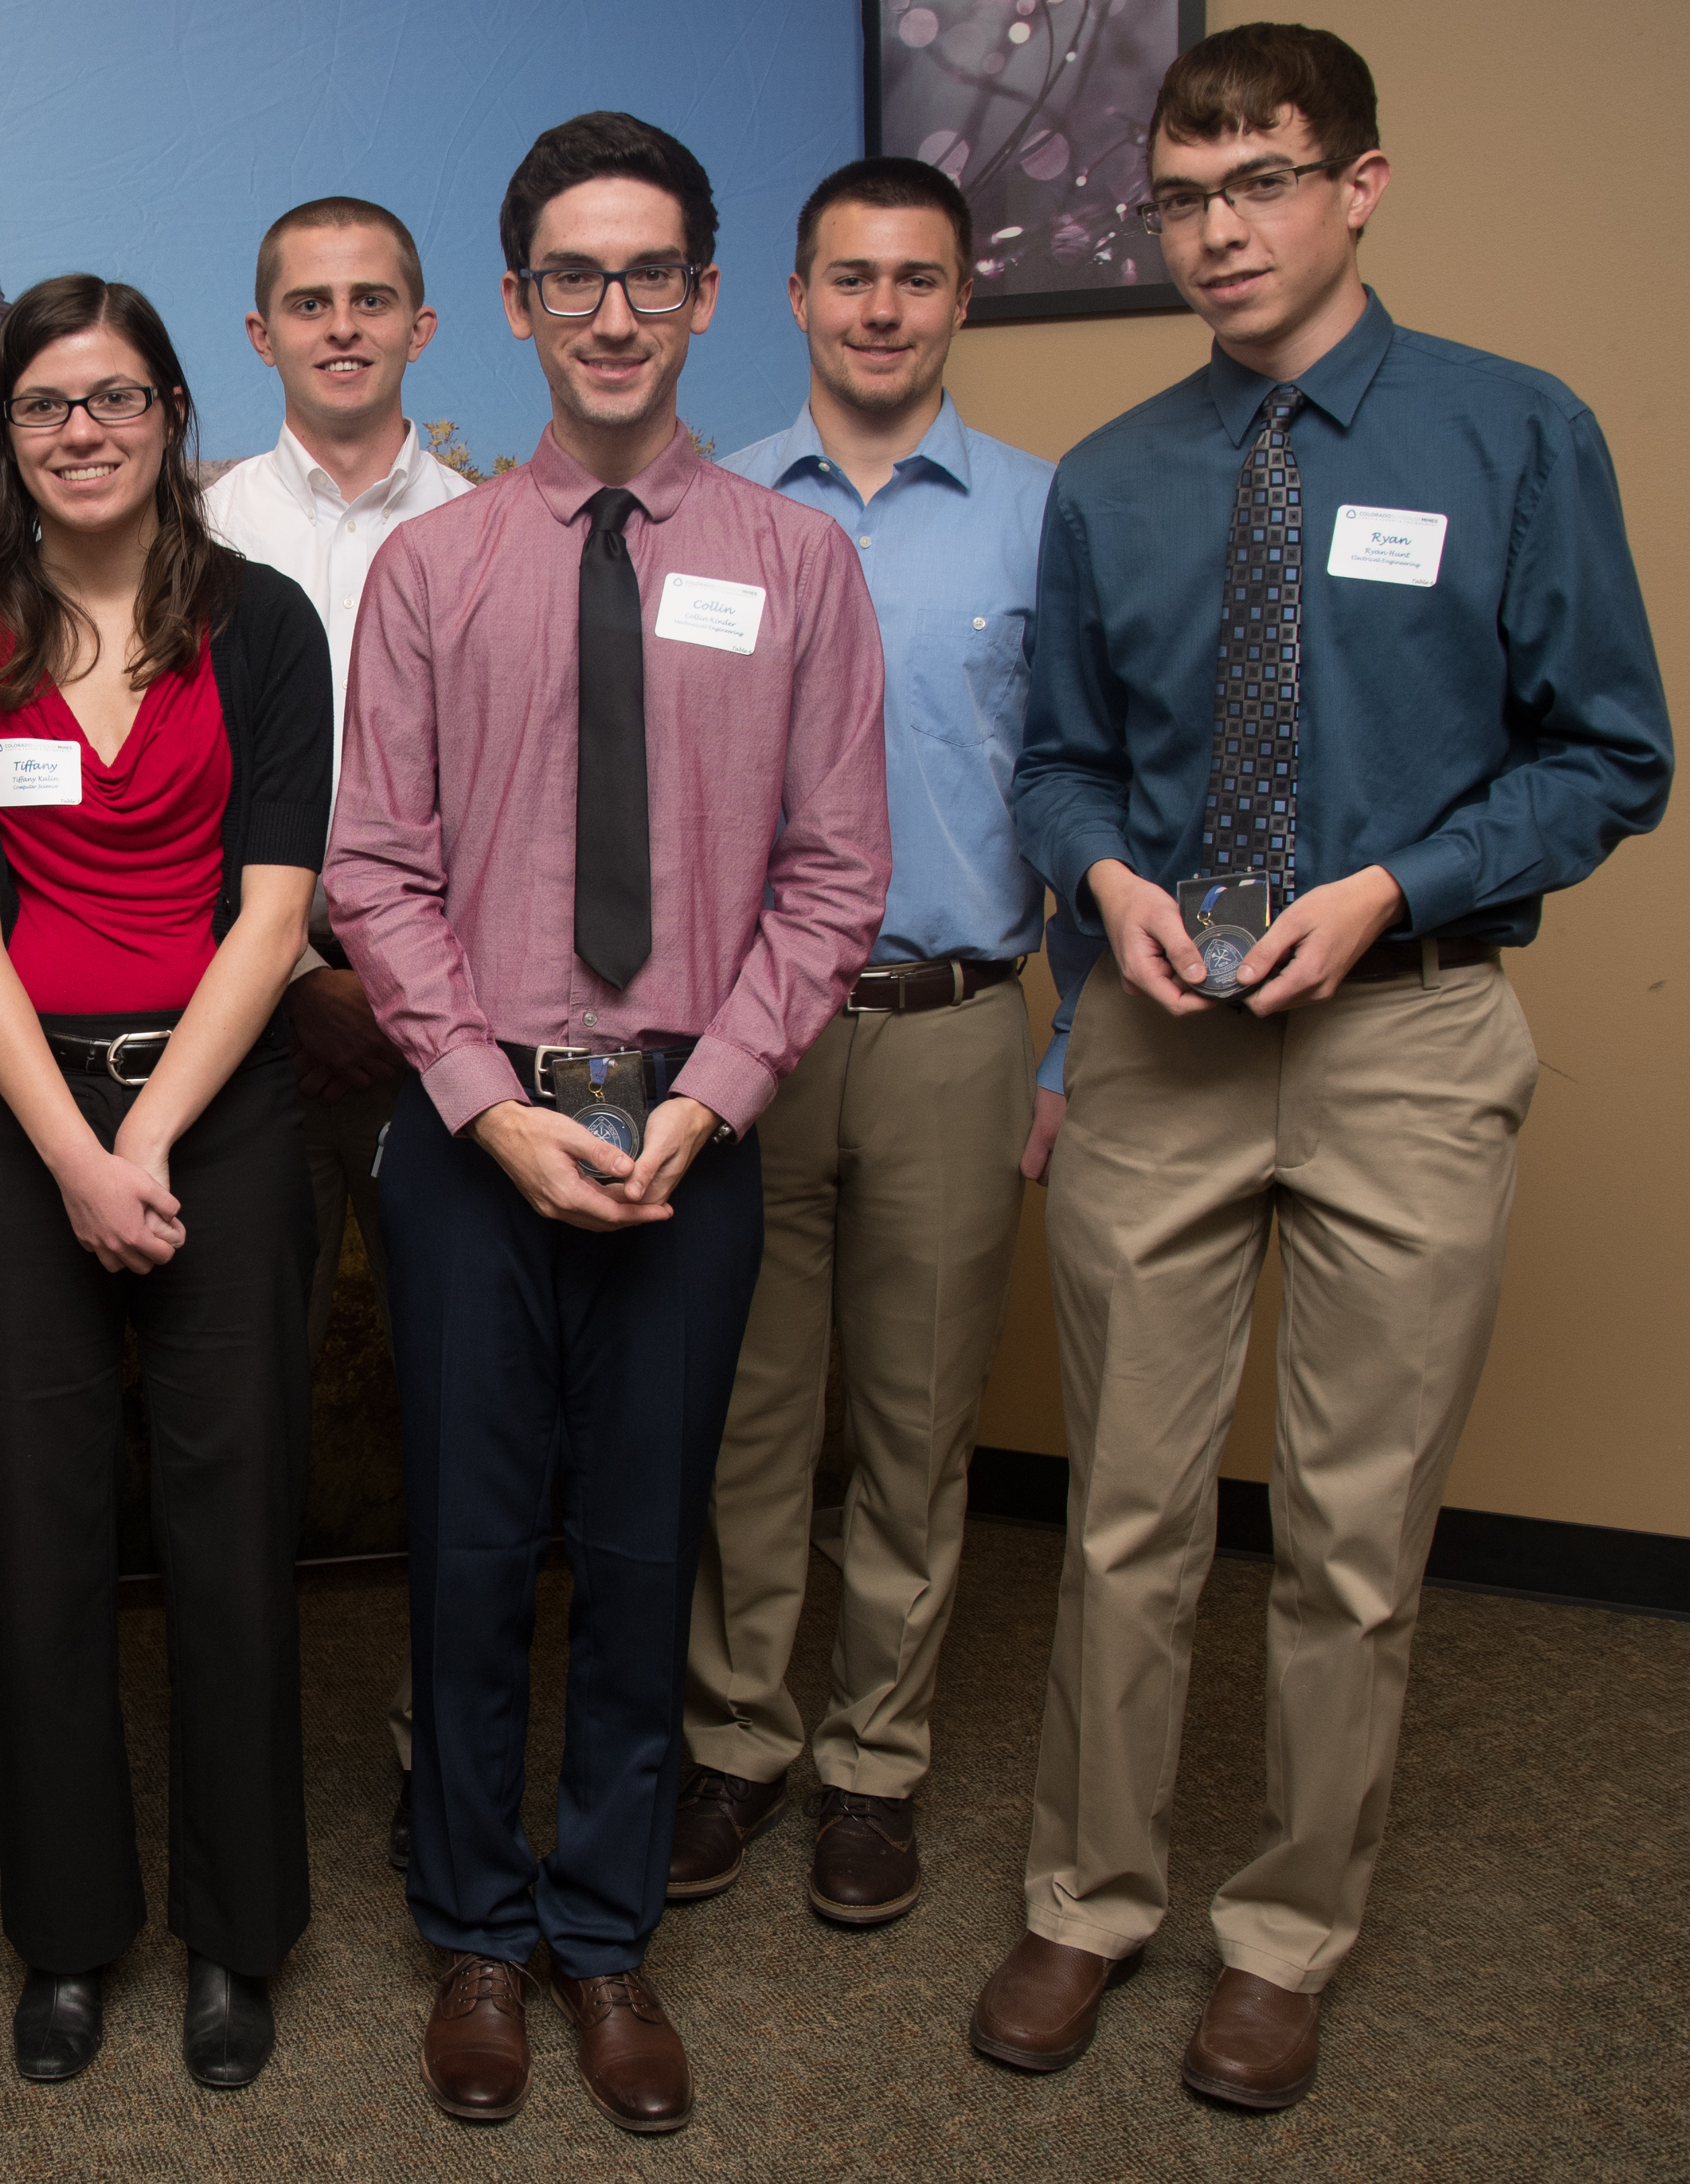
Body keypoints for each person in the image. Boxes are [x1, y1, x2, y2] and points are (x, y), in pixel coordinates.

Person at [984, 24, 1670, 2111]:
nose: (1214, 234)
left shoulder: (1510, 435)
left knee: (1355, 1534)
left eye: (1257, 184)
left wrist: (1389, 884)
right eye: (1179, 199)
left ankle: (1278, 1936)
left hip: (1406, 1028)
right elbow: (1058, 764)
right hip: (1162, 1038)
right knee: (1116, 1518)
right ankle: (1084, 1896)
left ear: (1355, 187)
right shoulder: (1109, 478)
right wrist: (1095, 872)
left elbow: (1607, 755)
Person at [330, 113, 889, 2134]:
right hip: (477, 1138)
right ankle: (474, 1925)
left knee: (648, 1547)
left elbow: (831, 876)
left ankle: (602, 1929)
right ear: (512, 304)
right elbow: (372, 872)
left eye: (648, 271)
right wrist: (482, 1110)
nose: (610, 310)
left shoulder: (791, 563)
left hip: (690, 1134)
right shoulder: (427, 568)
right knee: (473, 1549)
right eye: (569, 274)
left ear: (704, 296)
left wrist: (711, 1100)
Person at [0, 273, 332, 2093]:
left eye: (113, 397)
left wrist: (146, 1138)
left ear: (168, 412)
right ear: (4, 436)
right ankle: (66, 1932)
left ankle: (239, 1934)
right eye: (44, 404)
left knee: (232, 1538)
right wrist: (72, 1149)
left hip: (217, 1114)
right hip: (16, 1128)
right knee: (41, 1531)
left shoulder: (267, 624)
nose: (80, 430)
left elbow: (279, 906)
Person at [678, 157, 1096, 1926]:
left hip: (947, 1026)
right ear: (788, 297)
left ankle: (872, 1759)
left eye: (912, 280)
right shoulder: (701, 511)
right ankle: (733, 1735)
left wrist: (1069, 1054)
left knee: (918, 1422)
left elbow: (1094, 788)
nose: (877, 308)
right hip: (744, 1035)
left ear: (958, 299)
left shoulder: (1040, 518)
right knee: (741, 1412)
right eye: (844, 276)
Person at [200, 193, 474, 1874]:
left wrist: (406, 993)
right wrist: (302, 974)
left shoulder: (500, 523)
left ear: (424, 328)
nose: (342, 326)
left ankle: (431, 1746)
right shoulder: (194, 529)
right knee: (245, 1410)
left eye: (374, 299)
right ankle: (247, 1762)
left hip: (449, 1041)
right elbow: (168, 797)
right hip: (252, 1030)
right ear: (259, 338)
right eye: (307, 302)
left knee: (460, 1409)